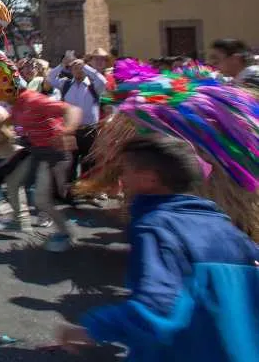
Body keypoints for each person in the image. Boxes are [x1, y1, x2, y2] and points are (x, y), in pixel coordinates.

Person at [56, 136, 259, 360]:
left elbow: (158, 307)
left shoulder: (156, 227)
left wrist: (90, 329)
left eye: (125, 170)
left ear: (149, 178)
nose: (121, 178)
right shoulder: (231, 232)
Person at [8, 89, 82, 251]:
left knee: (44, 199)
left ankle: (67, 232)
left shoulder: (33, 100)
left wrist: (67, 130)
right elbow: (14, 124)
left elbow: (73, 109)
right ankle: (65, 231)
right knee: (38, 197)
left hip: (57, 154)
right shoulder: (14, 105)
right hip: (40, 154)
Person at [48, 53, 107, 179]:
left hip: (89, 130)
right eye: (75, 67)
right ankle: (71, 193)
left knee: (89, 162)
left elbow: (103, 81)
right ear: (70, 70)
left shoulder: (93, 86)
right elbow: (50, 78)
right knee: (70, 163)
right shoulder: (65, 84)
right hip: (71, 131)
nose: (78, 70)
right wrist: (63, 65)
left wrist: (86, 67)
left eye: (80, 67)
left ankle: (86, 192)